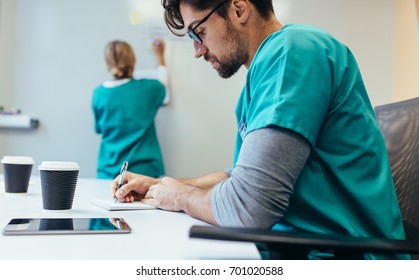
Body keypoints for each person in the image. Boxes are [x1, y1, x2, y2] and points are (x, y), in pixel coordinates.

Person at [111, 0, 407, 259]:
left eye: (198, 32)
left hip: (345, 258)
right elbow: (242, 176)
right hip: (299, 248)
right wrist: (162, 185)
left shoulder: (293, 53)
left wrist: (180, 197)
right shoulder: (268, 70)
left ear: (239, 8)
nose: (197, 51)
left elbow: (248, 208)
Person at [92, 39, 169, 179]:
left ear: (107, 64)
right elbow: (164, 87)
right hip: (142, 174)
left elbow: (99, 129)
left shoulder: (99, 94)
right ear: (133, 61)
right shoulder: (148, 88)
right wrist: (160, 55)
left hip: (107, 175)